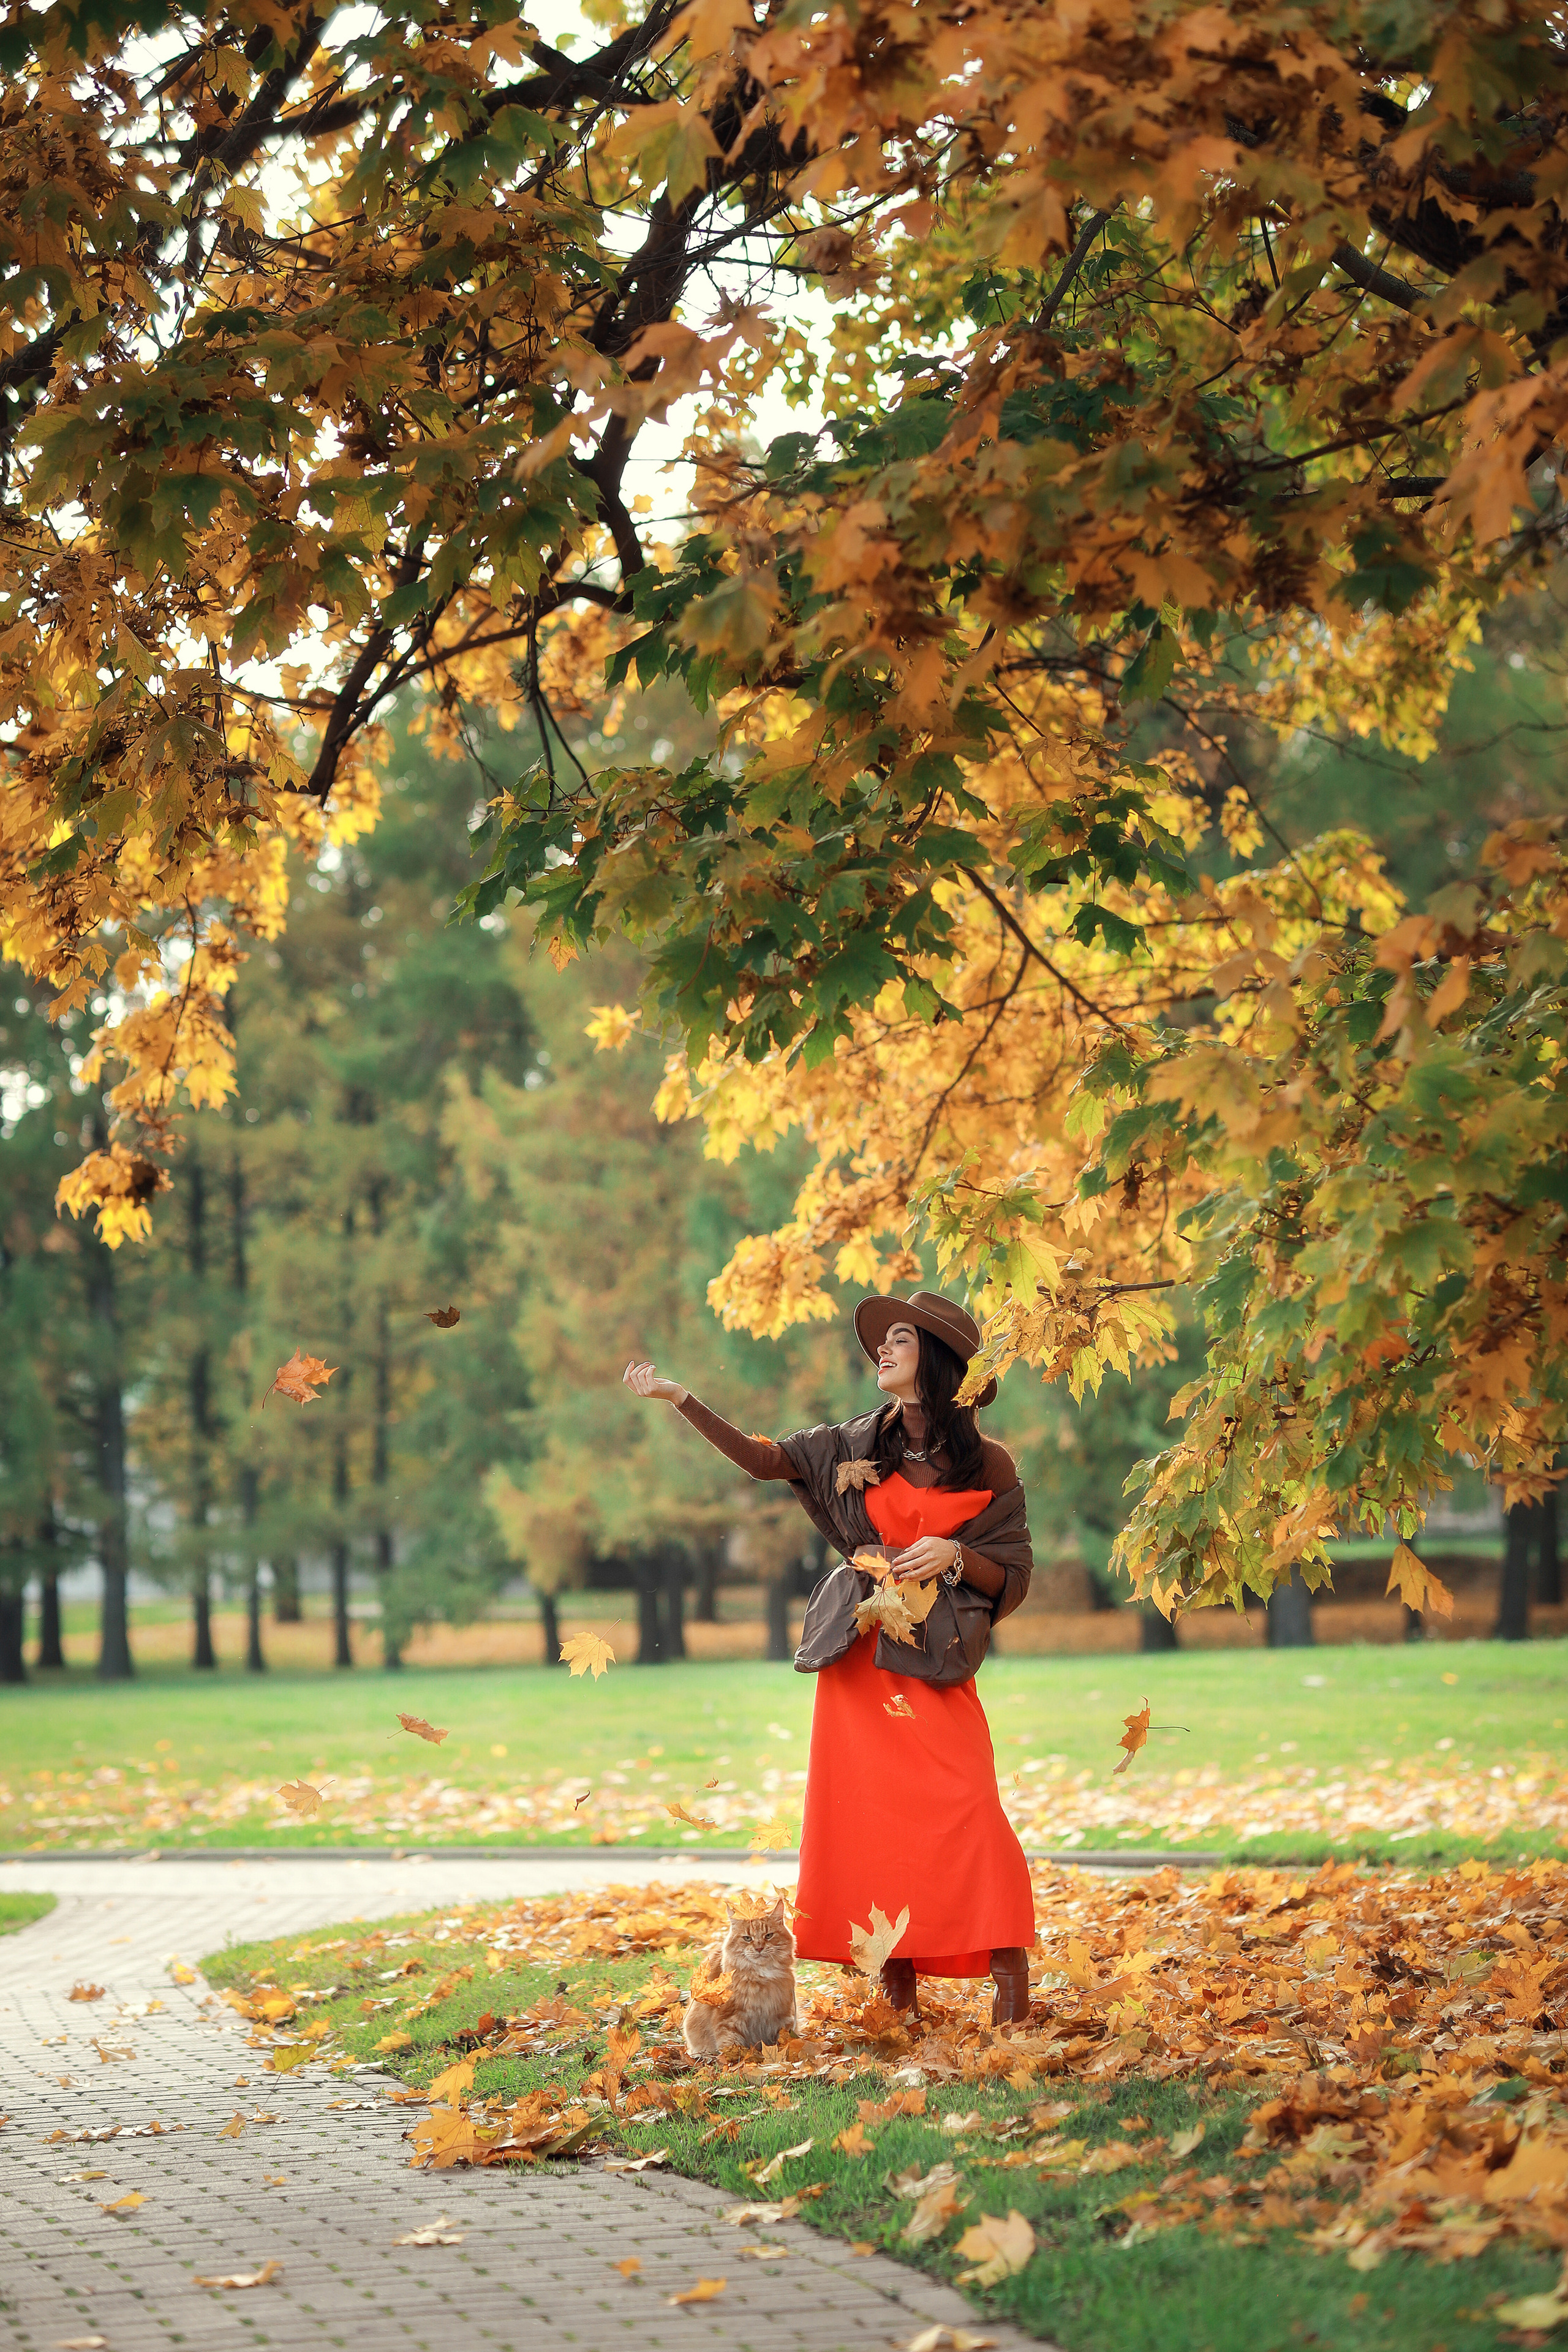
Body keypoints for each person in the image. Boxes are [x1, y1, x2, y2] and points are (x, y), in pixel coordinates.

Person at [622, 1289, 1036, 2024]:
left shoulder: (989, 1464)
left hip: (936, 1662)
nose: (883, 1350)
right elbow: (762, 1460)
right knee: (875, 1822)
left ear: (936, 1362)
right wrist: (681, 1397)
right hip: (860, 1663)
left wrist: (956, 1554)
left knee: (969, 1808)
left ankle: (1009, 1974)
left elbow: (1013, 1571)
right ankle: (896, 1989)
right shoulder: (853, 1444)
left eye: (901, 1340)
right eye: (884, 1342)